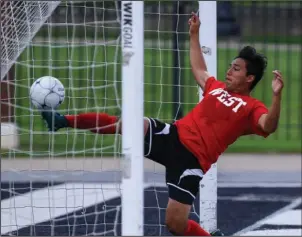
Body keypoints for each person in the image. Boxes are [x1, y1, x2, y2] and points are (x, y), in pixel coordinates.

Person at [41, 12, 284, 236]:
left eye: (236, 68)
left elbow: (268, 125)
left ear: (249, 78)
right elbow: (199, 69)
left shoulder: (252, 107)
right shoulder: (217, 87)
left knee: (174, 224)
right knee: (129, 124)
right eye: (230, 66)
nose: (229, 71)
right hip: (172, 135)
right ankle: (62, 121)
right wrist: (194, 34)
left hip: (191, 161)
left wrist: (276, 96)